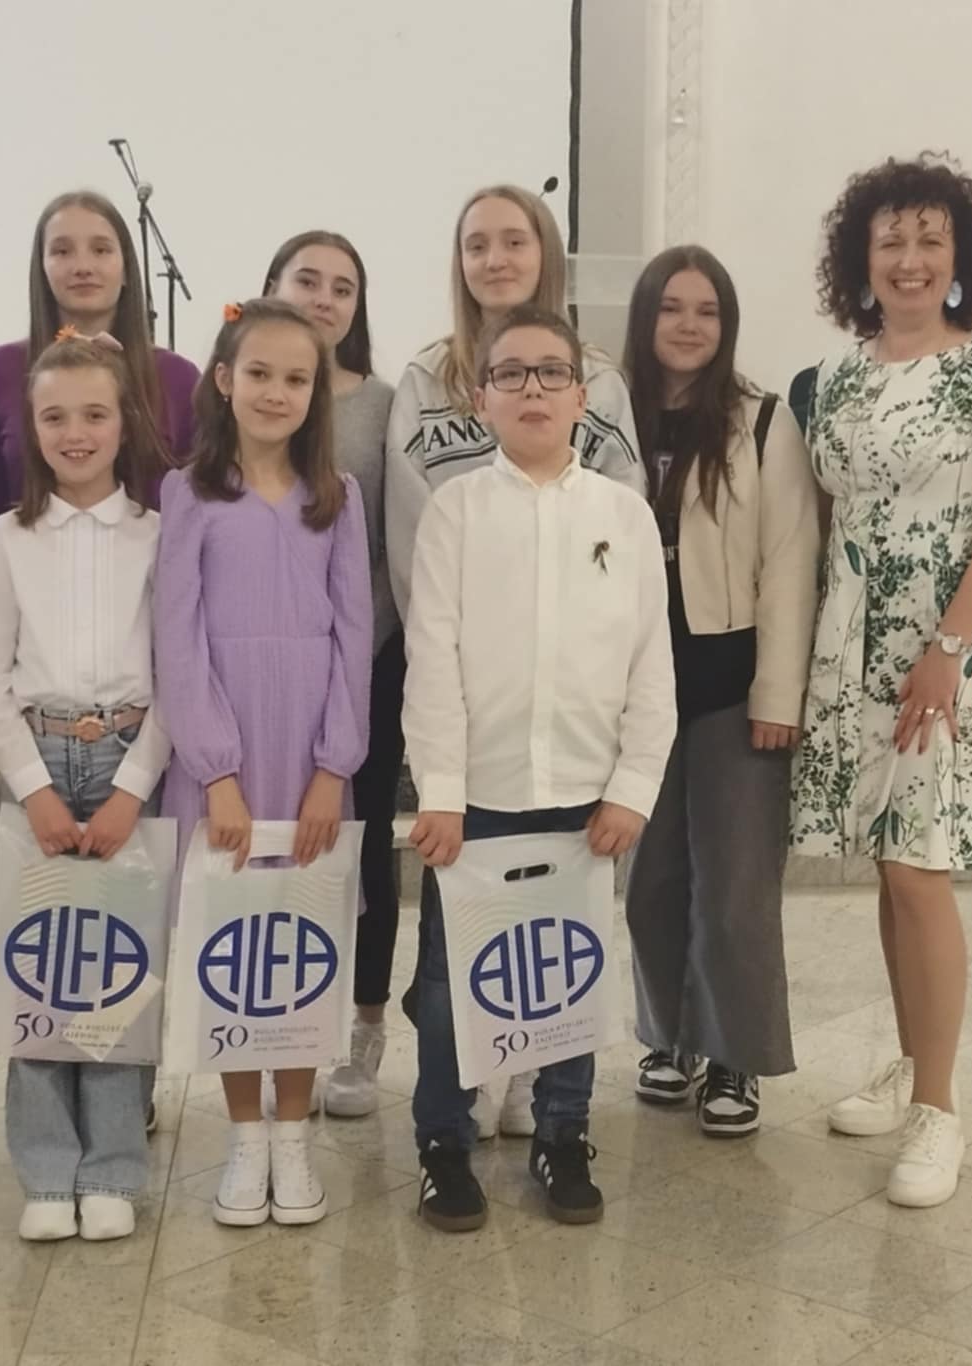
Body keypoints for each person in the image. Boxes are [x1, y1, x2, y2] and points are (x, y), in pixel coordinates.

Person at [794, 154, 972, 1208]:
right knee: (887, 869)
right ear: (860, 259)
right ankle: (910, 1065)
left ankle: (940, 1109)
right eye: (890, 240)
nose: (909, 259)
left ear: (961, 256)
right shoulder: (837, 377)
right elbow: (828, 517)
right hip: (854, 644)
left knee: (919, 868)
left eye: (929, 239)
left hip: (948, 646)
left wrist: (945, 649)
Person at [401, 304, 674, 1231]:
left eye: (551, 372)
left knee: (567, 975)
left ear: (581, 396)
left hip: (585, 798)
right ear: (482, 399)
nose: (532, 389)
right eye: (510, 373)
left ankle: (563, 1131)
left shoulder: (622, 515)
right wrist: (441, 792)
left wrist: (633, 788)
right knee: (452, 984)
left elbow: (651, 665)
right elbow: (432, 659)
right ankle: (444, 1141)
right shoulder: (456, 511)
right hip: (476, 800)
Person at [383, 182, 643, 1138]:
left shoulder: (599, 378)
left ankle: (537, 1073)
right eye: (477, 244)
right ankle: (472, 1080)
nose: (495, 259)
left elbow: (614, 521)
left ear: (547, 254)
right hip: (468, 685)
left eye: (514, 241)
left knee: (556, 922)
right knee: (463, 925)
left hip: (567, 694)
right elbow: (411, 533)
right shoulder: (425, 377)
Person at [154, 298, 371, 1227]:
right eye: (259, 374)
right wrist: (215, 772)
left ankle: (293, 1133)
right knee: (234, 946)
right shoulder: (188, 493)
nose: (277, 392)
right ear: (223, 380)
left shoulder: (339, 497)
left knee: (302, 943)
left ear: (316, 392)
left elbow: (355, 636)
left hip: (310, 754)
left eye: (296, 378)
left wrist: (334, 765)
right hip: (228, 759)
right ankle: (245, 1138)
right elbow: (177, 638)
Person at [0, 333, 174, 1243]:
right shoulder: (8, 539)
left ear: (126, 423)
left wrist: (134, 784)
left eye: (95, 414)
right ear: (29, 429)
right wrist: (32, 789)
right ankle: (49, 1170)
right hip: (39, 762)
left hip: (130, 758)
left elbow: (178, 676)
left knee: (123, 971)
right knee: (41, 969)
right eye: (55, 417)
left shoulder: (159, 534)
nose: (76, 432)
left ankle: (115, 1166)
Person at [619, 246, 820, 1136]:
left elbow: (790, 563)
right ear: (645, 316)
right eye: (672, 307)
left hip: (732, 683)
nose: (689, 325)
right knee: (651, 881)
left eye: (707, 310)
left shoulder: (763, 419)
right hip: (634, 686)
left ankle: (734, 1054)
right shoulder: (610, 414)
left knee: (734, 888)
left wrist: (778, 696)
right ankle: (670, 1037)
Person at [263, 230, 400, 1117]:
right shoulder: (248, 392)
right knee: (277, 848)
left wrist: (359, 650)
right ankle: (279, 1025)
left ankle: (363, 1025)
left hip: (366, 662)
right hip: (261, 670)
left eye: (342, 286)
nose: (324, 298)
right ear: (272, 286)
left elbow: (391, 537)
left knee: (364, 844)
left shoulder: (384, 406)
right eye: (306, 280)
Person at [0, 190, 200, 530]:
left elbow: (197, 512)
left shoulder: (178, 377)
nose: (82, 267)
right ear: (41, 268)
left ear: (126, 268)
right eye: (62, 251)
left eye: (101, 250)